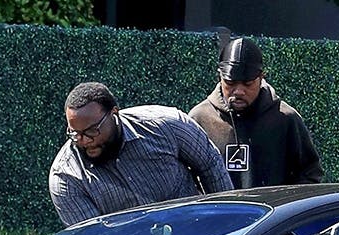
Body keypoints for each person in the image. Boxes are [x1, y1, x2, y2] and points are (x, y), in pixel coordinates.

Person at [48, 81, 231, 227]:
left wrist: (227, 225)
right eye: (74, 133)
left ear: (114, 114)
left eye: (92, 130)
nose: (84, 140)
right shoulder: (66, 177)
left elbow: (209, 164)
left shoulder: (167, 125)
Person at [188, 36, 323, 188]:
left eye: (247, 84)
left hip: (273, 211)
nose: (239, 91)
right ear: (220, 76)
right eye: (230, 83)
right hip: (214, 211)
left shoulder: (285, 119)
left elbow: (310, 173)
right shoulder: (199, 119)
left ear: (261, 77)